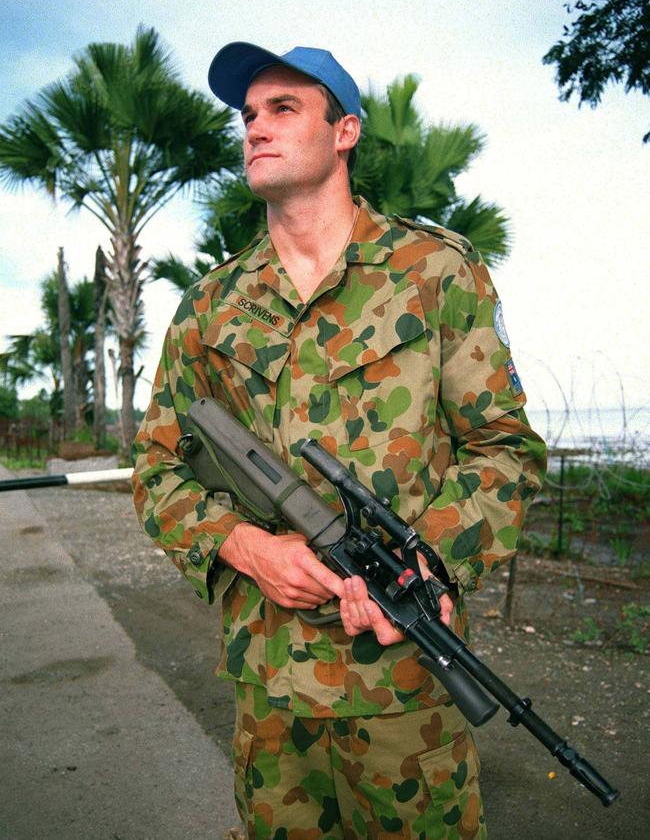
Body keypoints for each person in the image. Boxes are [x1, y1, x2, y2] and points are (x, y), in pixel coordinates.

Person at [132, 42, 547, 839]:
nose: (255, 127)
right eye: (248, 115)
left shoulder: (434, 272)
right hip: (270, 696)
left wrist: (430, 557)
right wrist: (247, 547)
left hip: (406, 686)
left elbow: (503, 449)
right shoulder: (211, 306)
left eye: (283, 108)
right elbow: (157, 469)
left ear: (346, 130)